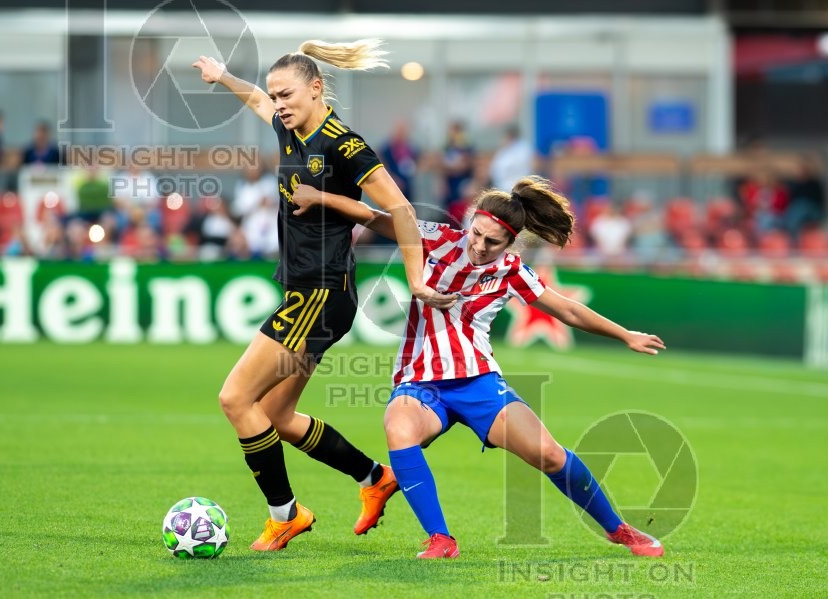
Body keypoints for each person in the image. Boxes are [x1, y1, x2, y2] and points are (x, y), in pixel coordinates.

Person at [291, 175, 667, 559]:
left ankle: (618, 530)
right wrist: (320, 195)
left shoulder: (511, 270)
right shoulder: (434, 237)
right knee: (398, 429)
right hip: (420, 382)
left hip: (478, 382)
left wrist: (625, 335)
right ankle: (441, 539)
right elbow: (372, 215)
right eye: (477, 234)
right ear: (470, 222)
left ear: (510, 242)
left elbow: (568, 309)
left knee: (550, 455)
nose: (480, 245)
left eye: (492, 241)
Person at [192, 40, 455, 552]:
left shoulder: (345, 145)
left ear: (316, 89)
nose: (279, 103)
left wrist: (417, 279)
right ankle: (374, 477)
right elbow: (256, 101)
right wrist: (223, 75)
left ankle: (285, 516)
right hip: (312, 293)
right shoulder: (289, 124)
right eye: (276, 95)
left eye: (287, 94)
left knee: (234, 399)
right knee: (277, 416)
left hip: (320, 293)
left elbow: (400, 211)